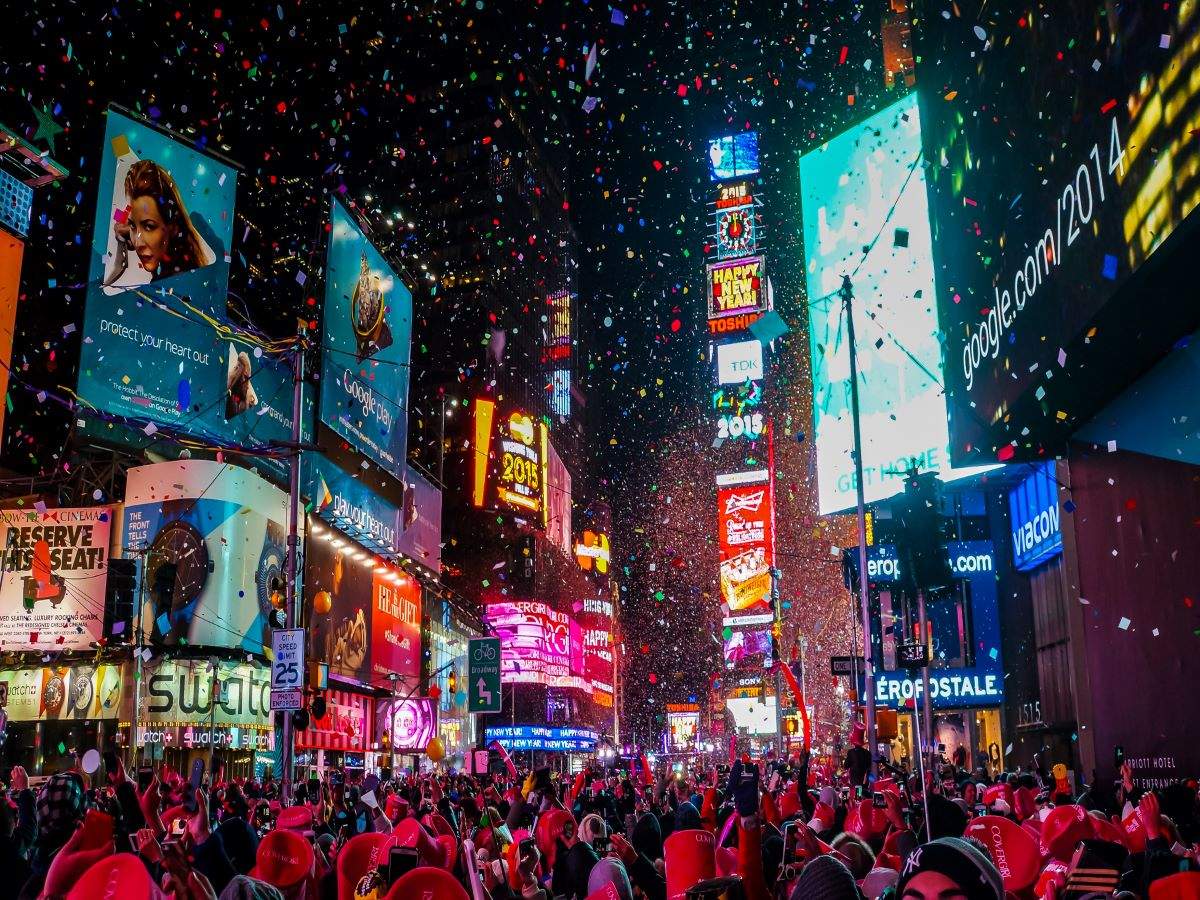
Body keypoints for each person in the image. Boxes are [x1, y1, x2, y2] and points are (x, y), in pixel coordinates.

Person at [104, 159, 215, 285]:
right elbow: (119, 220)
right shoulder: (175, 276)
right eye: (133, 225)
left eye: (149, 226)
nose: (138, 243)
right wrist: (122, 240)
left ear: (173, 227)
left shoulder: (177, 284)